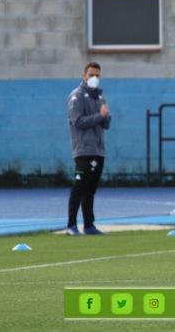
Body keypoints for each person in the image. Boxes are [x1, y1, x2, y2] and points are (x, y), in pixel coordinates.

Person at [66, 61, 111, 236]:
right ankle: (71, 225)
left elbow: (106, 124)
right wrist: (98, 116)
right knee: (79, 187)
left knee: (90, 189)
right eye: (91, 75)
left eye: (97, 75)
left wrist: (105, 116)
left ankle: (89, 225)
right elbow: (77, 121)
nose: (94, 78)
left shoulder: (100, 97)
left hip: (98, 150)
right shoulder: (76, 97)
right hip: (84, 149)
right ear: (84, 75)